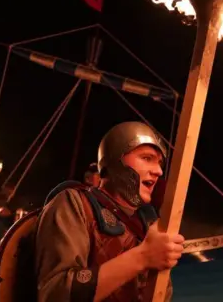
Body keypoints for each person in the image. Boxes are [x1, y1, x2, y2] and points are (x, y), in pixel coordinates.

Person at [34, 121, 183, 302]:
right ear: (114, 159)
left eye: (159, 163)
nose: (159, 171)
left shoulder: (148, 224)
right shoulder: (75, 204)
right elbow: (55, 294)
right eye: (146, 158)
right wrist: (143, 256)